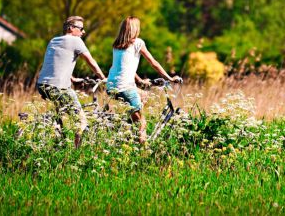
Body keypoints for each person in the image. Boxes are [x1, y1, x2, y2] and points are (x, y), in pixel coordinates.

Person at [107, 16, 182, 143]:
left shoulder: (117, 45)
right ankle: (143, 151)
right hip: (125, 87)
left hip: (111, 85)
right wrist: (169, 78)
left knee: (144, 95)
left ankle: (129, 126)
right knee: (142, 123)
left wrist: (140, 80)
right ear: (135, 29)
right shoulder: (138, 42)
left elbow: (125, 66)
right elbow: (153, 63)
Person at [37, 16, 106, 149]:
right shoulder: (76, 40)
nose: (83, 32)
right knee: (81, 121)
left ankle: (58, 143)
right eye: (81, 29)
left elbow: (57, 64)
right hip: (58, 87)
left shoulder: (53, 40)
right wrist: (103, 78)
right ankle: (76, 153)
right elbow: (91, 61)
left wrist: (72, 79)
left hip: (42, 84)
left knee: (59, 116)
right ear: (70, 29)